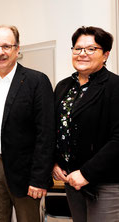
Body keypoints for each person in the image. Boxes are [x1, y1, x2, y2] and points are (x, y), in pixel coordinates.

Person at [0, 25, 55, 222]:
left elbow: (46, 133)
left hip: (27, 171)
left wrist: (39, 178)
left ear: (17, 49)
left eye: (6, 46)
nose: (0, 52)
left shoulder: (37, 81)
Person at [52, 26, 119, 222]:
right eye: (78, 49)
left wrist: (86, 173)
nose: (83, 54)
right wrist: (55, 161)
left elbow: (117, 139)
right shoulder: (64, 86)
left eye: (91, 49)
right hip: (71, 180)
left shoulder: (114, 87)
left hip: (105, 182)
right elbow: (57, 129)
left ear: (105, 55)